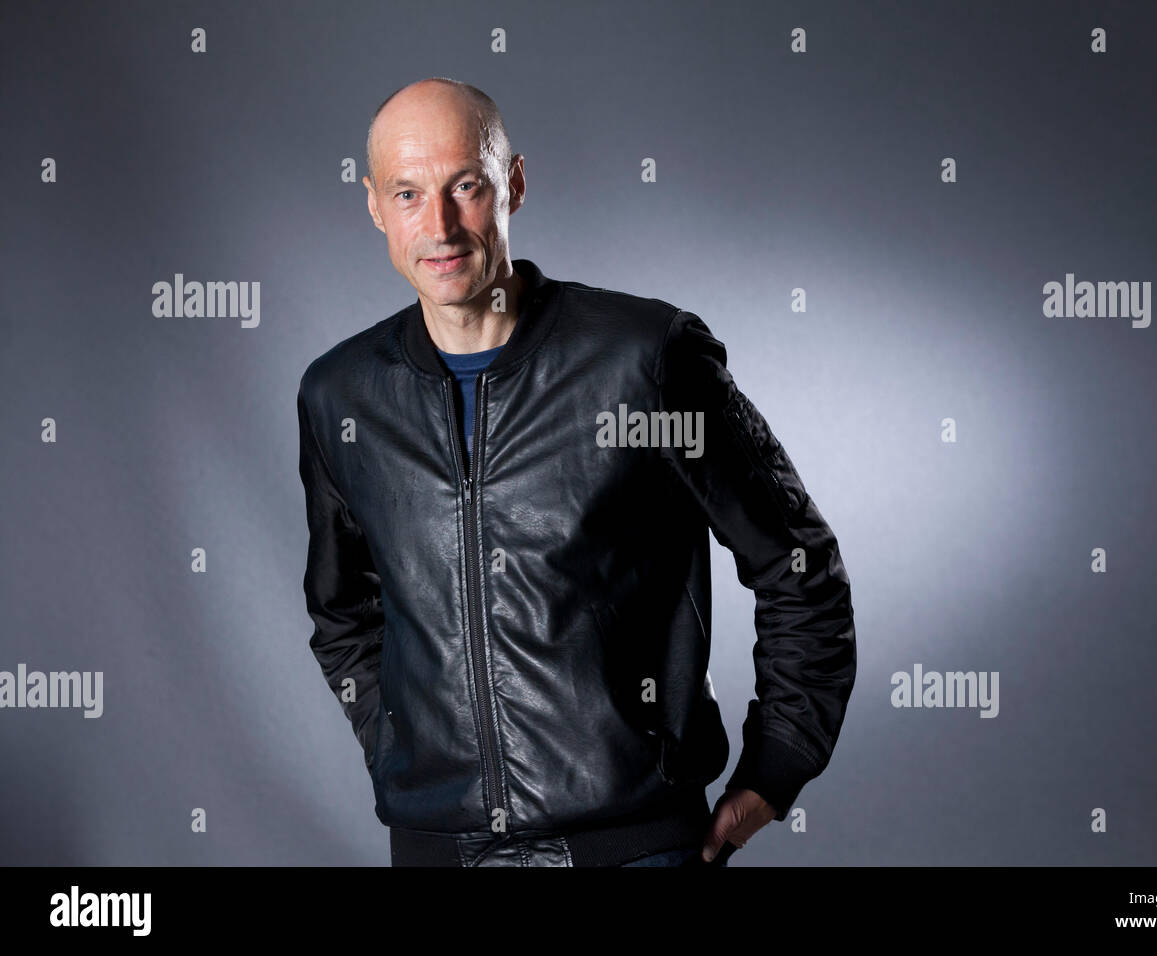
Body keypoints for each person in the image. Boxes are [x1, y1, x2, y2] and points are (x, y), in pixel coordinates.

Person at [296, 77, 857, 867]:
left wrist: (780, 763)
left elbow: (797, 563)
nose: (442, 225)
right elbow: (342, 608)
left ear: (513, 183)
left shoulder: (641, 361)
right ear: (375, 208)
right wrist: (399, 742)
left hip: (634, 846)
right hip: (437, 849)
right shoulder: (342, 394)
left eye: (466, 186)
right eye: (409, 193)